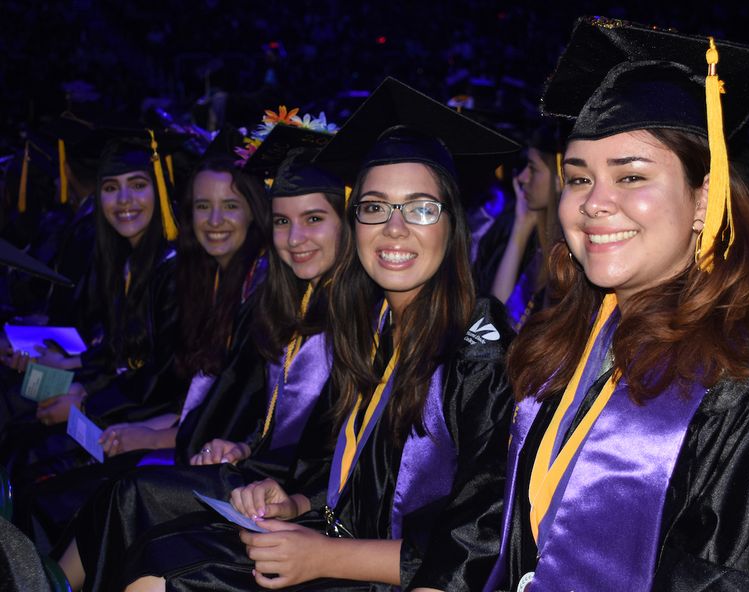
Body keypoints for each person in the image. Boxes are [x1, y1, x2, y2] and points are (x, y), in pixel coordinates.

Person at [484, 17, 749, 591]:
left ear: (705, 199)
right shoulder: (567, 346)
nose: (595, 203)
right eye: (578, 179)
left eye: (631, 177)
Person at [118, 77, 518, 592]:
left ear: (452, 224)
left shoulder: (481, 349)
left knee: (166, 579)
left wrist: (325, 555)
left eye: (421, 208)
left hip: (397, 576)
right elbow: (347, 470)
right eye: (374, 207)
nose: (394, 228)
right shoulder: (373, 326)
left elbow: (481, 539)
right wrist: (295, 501)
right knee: (158, 552)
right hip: (340, 542)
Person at [58, 126, 347, 592]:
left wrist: (286, 489)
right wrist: (243, 446)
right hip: (265, 474)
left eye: (314, 218)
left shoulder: (350, 316)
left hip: (306, 501)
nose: (295, 237)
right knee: (115, 494)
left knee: (129, 498)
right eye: (282, 220)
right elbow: (276, 417)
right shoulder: (289, 299)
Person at [20, 152, 271, 546]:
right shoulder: (203, 278)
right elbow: (187, 395)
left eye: (230, 206)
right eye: (202, 206)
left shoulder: (249, 296)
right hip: (161, 429)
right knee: (31, 454)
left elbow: (190, 397)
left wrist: (92, 405)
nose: (214, 220)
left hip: (210, 460)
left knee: (56, 490)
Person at [1, 130, 187, 488]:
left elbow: (159, 381)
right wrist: (69, 370)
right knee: (20, 416)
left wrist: (85, 402)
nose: (124, 200)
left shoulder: (174, 272)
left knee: (29, 452)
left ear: (161, 190)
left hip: (142, 419)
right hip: (113, 399)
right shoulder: (124, 260)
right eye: (111, 188)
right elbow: (118, 352)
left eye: (138, 185)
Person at [487, 123, 563, 328]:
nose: (521, 177)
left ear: (559, 179)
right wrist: (522, 225)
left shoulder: (568, 253)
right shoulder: (539, 241)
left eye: (533, 169)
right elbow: (498, 316)